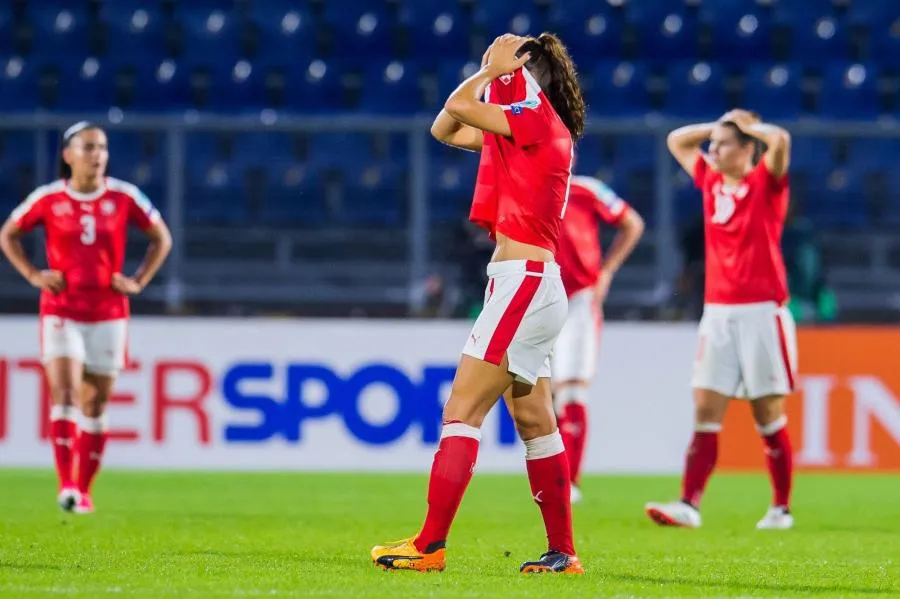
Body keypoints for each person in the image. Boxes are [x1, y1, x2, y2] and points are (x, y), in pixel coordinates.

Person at [371, 32, 587, 574]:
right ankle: (564, 552)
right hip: (530, 282)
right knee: (536, 420)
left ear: (528, 78)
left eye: (513, 67)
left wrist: (489, 72)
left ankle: (429, 546)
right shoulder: (522, 132)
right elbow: (444, 127)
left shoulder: (536, 122)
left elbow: (456, 106)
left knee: (461, 410)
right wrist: (491, 76)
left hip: (525, 281)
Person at [0, 122, 172, 514]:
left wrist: (139, 280)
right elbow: (8, 233)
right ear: (68, 154)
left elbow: (162, 237)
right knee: (64, 393)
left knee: (96, 405)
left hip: (110, 312)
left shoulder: (125, 196)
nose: (98, 155)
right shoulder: (47, 199)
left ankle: (84, 489)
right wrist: (33, 275)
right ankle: (66, 486)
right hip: (61, 309)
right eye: (89, 147)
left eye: (103, 148)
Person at [644, 110, 797, 530]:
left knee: (767, 415)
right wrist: (718, 126)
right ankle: (689, 504)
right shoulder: (711, 181)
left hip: (762, 312)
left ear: (748, 149)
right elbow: (677, 139)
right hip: (718, 313)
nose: (714, 150)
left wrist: (749, 127)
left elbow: (780, 139)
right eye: (714, 143)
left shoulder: (765, 183)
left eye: (726, 144)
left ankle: (780, 508)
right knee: (705, 410)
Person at [552, 175, 644, 503]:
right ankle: (550, 479)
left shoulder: (585, 189)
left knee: (572, 390)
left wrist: (608, 270)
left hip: (578, 299)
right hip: (535, 295)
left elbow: (632, 222)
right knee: (537, 395)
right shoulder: (525, 185)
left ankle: (568, 483)